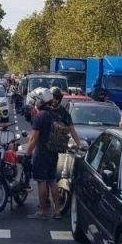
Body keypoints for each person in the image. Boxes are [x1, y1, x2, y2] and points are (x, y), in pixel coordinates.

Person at [25, 87, 80, 220]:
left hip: (42, 153)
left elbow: (33, 139)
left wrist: (27, 154)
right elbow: (71, 129)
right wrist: (79, 145)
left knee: (41, 182)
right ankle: (57, 211)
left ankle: (42, 211)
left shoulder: (40, 116)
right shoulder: (57, 115)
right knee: (52, 181)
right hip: (54, 152)